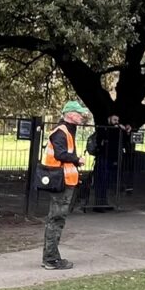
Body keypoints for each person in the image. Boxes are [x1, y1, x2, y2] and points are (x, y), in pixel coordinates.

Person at [41, 100, 89, 270]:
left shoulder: (67, 130)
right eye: (78, 113)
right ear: (69, 114)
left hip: (65, 179)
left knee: (56, 219)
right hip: (60, 180)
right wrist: (77, 159)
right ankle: (51, 259)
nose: (82, 116)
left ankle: (50, 257)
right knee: (56, 219)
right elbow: (60, 154)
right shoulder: (61, 132)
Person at [92, 115, 129, 210]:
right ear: (109, 119)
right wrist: (115, 129)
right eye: (114, 120)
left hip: (112, 158)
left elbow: (124, 140)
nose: (117, 122)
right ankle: (98, 204)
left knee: (108, 182)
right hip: (103, 157)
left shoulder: (117, 130)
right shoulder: (104, 128)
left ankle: (105, 202)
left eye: (118, 120)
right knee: (101, 181)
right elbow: (104, 137)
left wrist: (125, 131)